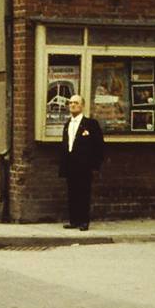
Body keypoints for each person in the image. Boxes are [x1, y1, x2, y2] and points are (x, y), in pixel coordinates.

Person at [59, 94, 104, 231]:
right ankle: (74, 220)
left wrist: (94, 164)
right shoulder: (67, 124)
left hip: (84, 165)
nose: (73, 105)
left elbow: (99, 145)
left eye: (76, 103)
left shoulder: (91, 124)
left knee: (84, 193)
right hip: (70, 164)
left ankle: (84, 221)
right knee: (72, 192)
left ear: (82, 106)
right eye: (71, 103)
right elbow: (66, 144)